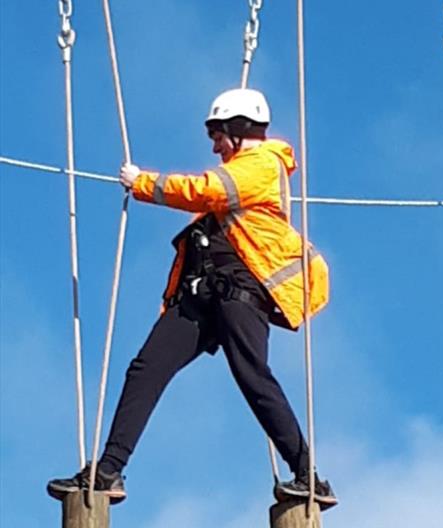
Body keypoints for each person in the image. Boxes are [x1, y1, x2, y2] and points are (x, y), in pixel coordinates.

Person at [47, 88, 338, 510]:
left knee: (252, 376)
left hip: (238, 295)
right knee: (145, 369)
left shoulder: (261, 164)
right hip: (201, 299)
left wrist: (142, 183)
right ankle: (108, 470)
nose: (215, 146)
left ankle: (309, 475)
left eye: (219, 135)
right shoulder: (242, 170)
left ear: (239, 130)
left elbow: (206, 190)